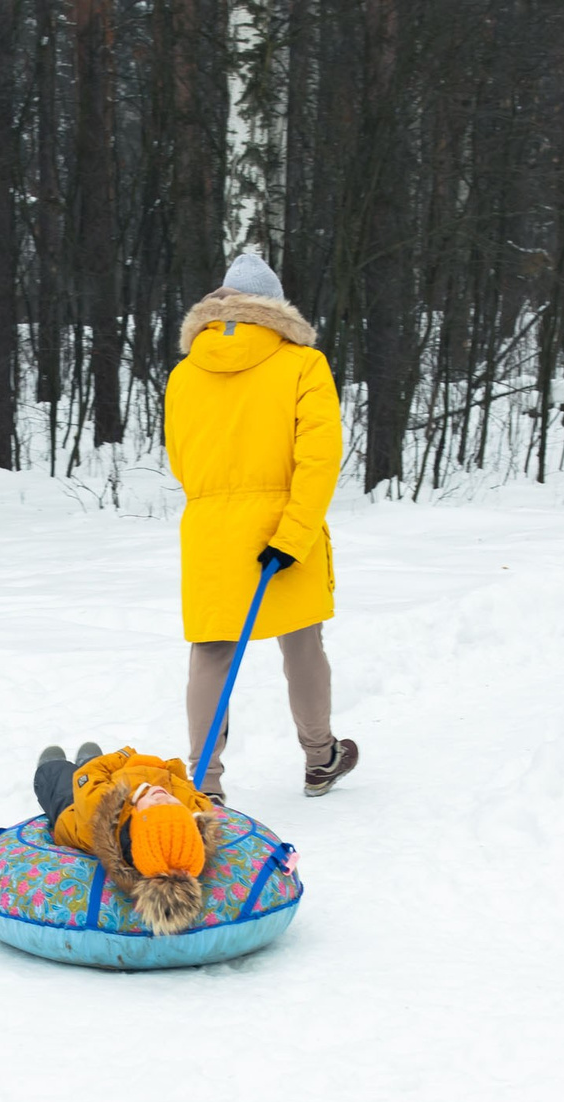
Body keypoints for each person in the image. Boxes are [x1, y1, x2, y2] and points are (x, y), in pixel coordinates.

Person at [163, 251, 361, 803]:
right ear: (275, 308)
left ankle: (205, 783)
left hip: (210, 531)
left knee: (211, 653)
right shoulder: (302, 364)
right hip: (283, 525)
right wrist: (292, 536)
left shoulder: (184, 374)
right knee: (302, 642)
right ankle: (320, 758)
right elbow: (319, 459)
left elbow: (180, 459)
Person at [32, 742, 223, 934]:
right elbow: (191, 790)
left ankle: (51, 768)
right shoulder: (191, 813)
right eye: (174, 805)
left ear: (136, 817)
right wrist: (170, 768)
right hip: (130, 777)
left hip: (75, 815)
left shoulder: (99, 808)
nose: (163, 798)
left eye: (154, 806)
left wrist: (123, 755)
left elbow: (87, 776)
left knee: (63, 786)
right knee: (110, 771)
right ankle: (92, 760)